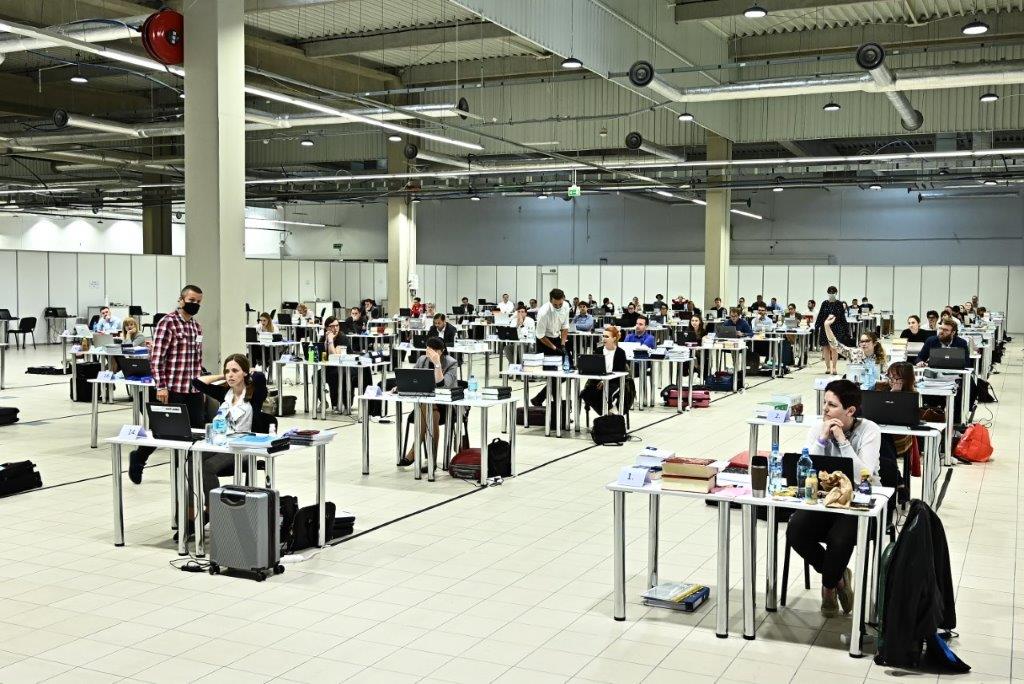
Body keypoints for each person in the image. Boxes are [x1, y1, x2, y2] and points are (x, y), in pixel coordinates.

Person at [787, 379, 880, 618]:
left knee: (839, 538)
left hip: (858, 503)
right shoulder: (819, 427)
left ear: (850, 410)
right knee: (795, 529)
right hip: (824, 500)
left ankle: (828, 587)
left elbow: (863, 477)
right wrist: (822, 440)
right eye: (824, 403)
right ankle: (838, 577)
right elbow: (806, 468)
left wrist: (842, 441)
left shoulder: (869, 430)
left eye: (832, 405)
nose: (825, 409)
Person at [128, 285, 205, 485]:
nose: (195, 304)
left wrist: (202, 385)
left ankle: (188, 473)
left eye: (198, 302)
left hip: (194, 389)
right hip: (172, 389)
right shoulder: (167, 323)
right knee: (165, 432)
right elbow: (156, 359)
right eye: (191, 300)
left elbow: (197, 359)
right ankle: (139, 456)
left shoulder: (196, 326)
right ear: (181, 300)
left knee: (197, 432)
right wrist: (161, 386)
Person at [191, 354, 268, 505]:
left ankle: (215, 508)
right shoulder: (225, 393)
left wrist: (249, 372)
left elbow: (260, 377)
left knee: (208, 467)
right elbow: (197, 382)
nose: (230, 375)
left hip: (243, 446)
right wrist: (223, 376)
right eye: (227, 371)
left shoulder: (255, 394)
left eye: (235, 371)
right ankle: (193, 508)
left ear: (245, 372)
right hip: (222, 442)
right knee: (190, 461)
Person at [399, 337, 459, 468]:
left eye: (433, 351)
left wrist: (437, 363)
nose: (429, 354)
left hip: (446, 405)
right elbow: (412, 379)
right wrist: (400, 386)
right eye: (428, 350)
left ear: (441, 351)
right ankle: (432, 459)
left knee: (430, 410)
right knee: (429, 410)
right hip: (426, 403)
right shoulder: (422, 360)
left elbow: (444, 386)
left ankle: (414, 451)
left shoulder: (451, 363)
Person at [530, 288, 571, 406]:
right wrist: (554, 348)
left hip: (557, 338)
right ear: (550, 300)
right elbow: (540, 336)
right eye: (555, 305)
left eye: (560, 304)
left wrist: (562, 345)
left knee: (565, 372)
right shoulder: (543, 312)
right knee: (553, 374)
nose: (558, 307)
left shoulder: (566, 306)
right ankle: (558, 405)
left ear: (563, 299)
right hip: (544, 342)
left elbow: (565, 327)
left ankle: (539, 398)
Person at [823, 314, 886, 389]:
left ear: (874, 343)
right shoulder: (854, 353)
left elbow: (885, 378)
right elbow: (835, 345)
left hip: (873, 391)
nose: (864, 344)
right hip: (854, 389)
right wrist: (827, 326)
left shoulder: (880, 358)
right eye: (862, 341)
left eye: (867, 341)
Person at [579, 325, 627, 415]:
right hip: (597, 381)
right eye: (603, 336)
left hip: (614, 382)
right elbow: (594, 368)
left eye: (607, 336)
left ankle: (606, 415)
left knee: (606, 393)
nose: (604, 338)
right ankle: (606, 414)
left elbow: (620, 372)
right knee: (585, 393)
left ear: (614, 339)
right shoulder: (598, 350)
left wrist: (605, 381)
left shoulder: (620, 353)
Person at [814, 286, 849, 374]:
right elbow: (820, 315)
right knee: (825, 348)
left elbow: (842, 317)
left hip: (835, 328)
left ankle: (834, 367)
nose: (831, 294)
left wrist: (846, 329)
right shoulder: (824, 303)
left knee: (834, 348)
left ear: (836, 293)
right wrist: (817, 326)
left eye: (833, 292)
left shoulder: (839, 304)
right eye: (830, 292)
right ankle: (828, 367)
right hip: (825, 328)